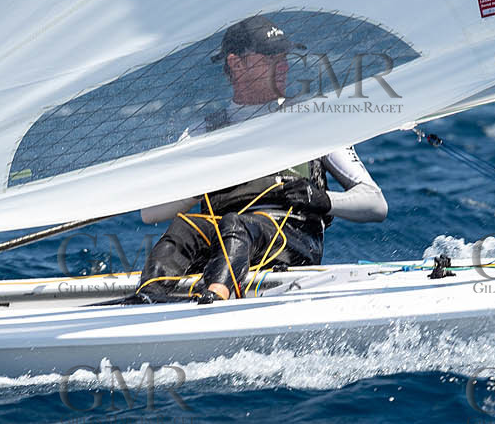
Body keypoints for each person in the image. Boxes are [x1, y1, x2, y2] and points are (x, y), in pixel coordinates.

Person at [129, 16, 387, 304]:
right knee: (185, 228)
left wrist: (323, 200)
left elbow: (376, 203)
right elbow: (150, 212)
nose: (283, 66)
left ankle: (215, 299)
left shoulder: (313, 121)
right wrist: (200, 184)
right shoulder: (204, 133)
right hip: (226, 242)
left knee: (236, 224)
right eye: (270, 58)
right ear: (236, 64)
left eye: (284, 57)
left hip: (291, 242)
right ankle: (147, 299)